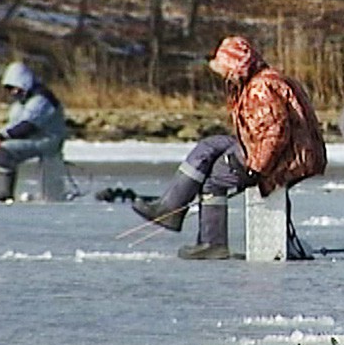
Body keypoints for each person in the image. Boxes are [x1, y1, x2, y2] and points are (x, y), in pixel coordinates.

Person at [132, 36, 328, 259]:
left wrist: (257, 169)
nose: (224, 76)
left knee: (214, 178)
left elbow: (275, 134)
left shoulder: (260, 88)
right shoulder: (267, 79)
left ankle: (212, 242)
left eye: (225, 70)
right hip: (288, 151)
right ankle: (169, 208)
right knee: (210, 145)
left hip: (285, 158)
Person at [0, 61, 68, 202]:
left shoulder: (41, 99)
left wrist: (4, 137)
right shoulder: (21, 102)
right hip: (32, 139)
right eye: (10, 89)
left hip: (46, 140)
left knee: (5, 152)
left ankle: (3, 193)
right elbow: (14, 123)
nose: (13, 92)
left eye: (15, 88)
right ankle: (0, 189)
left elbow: (28, 125)